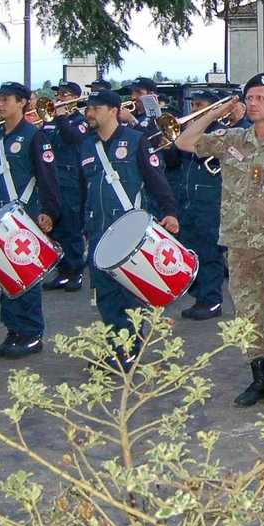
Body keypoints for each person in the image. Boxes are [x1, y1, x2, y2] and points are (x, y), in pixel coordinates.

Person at [181, 75, 264, 401]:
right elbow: (185, 142)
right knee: (247, 315)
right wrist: (214, 113)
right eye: (250, 98)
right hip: (240, 245)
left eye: (261, 97)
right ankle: (259, 379)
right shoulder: (232, 140)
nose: (254, 103)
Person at [79, 90, 181, 370]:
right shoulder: (87, 147)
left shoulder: (136, 141)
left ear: (113, 111)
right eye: (88, 108)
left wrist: (170, 212)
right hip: (98, 231)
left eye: (96, 108)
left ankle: (130, 352)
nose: (90, 112)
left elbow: (156, 180)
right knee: (106, 298)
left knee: (131, 297)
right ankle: (116, 350)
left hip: (129, 231)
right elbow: (82, 190)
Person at [0, 82, 62, 358]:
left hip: (23, 217)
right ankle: (13, 330)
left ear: (22, 103)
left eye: (5, 100)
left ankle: (30, 333)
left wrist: (49, 211)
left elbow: (48, 177)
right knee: (6, 277)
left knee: (25, 277)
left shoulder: (34, 136)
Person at [177, 90, 230, 321]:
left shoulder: (221, 131)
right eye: (194, 105)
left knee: (209, 251)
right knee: (190, 249)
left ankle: (212, 299)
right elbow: (171, 161)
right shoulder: (186, 131)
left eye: (200, 105)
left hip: (209, 198)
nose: (195, 109)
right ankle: (199, 296)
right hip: (188, 198)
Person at [41, 81, 92, 293]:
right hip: (53, 179)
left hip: (72, 180)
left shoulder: (81, 121)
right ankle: (61, 270)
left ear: (76, 98)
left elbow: (72, 139)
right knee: (56, 228)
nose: (60, 98)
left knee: (72, 228)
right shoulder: (51, 121)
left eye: (65, 94)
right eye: (59, 94)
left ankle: (75, 271)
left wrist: (61, 116)